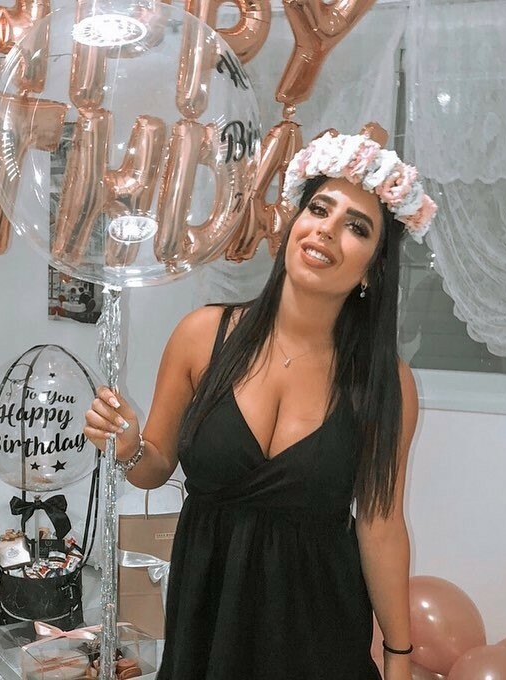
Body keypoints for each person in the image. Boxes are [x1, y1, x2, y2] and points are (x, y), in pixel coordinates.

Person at [84, 126, 436, 679]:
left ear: (373, 268)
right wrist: (128, 448)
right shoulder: (201, 336)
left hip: (319, 633)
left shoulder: (386, 384)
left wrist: (398, 658)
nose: (327, 230)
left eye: (357, 227)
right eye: (319, 208)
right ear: (294, 223)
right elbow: (154, 468)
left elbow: (381, 525)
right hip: (208, 620)